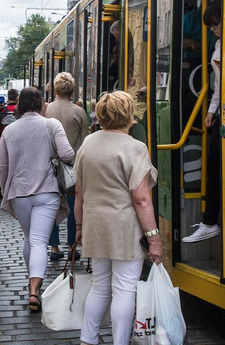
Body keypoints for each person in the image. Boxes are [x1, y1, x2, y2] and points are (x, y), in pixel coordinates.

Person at [74, 90, 161, 345]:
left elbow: (79, 191)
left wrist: (79, 226)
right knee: (124, 289)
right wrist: (153, 238)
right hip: (124, 229)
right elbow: (141, 199)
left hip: (95, 225)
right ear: (129, 115)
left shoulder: (88, 144)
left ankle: (87, 339)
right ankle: (119, 342)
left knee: (100, 285)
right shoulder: (135, 148)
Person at [0, 86, 74, 312]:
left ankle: (32, 280)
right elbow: (68, 154)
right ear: (42, 104)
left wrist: (5, 192)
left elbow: (2, 167)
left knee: (30, 238)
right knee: (40, 240)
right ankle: (34, 290)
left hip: (19, 192)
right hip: (47, 190)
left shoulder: (9, 131)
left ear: (19, 104)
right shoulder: (51, 124)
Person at [185, 6, 224, 243]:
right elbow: (220, 85)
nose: (212, 29)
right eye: (210, 25)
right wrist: (211, 110)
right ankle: (209, 221)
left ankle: (210, 222)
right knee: (213, 166)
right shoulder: (220, 46)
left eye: (215, 24)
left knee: (216, 167)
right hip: (224, 110)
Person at [45, 72, 90, 261]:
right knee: (74, 206)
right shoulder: (79, 112)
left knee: (52, 205)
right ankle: (72, 244)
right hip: (72, 166)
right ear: (72, 90)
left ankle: (54, 246)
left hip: (50, 165)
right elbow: (84, 143)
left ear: (55, 90)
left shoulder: (46, 111)